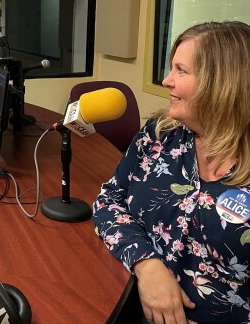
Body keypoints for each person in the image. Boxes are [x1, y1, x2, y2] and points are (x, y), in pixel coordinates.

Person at [93, 21, 250, 324]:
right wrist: (147, 264)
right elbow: (108, 200)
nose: (166, 80)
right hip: (127, 301)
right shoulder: (160, 133)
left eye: (181, 70)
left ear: (222, 83)